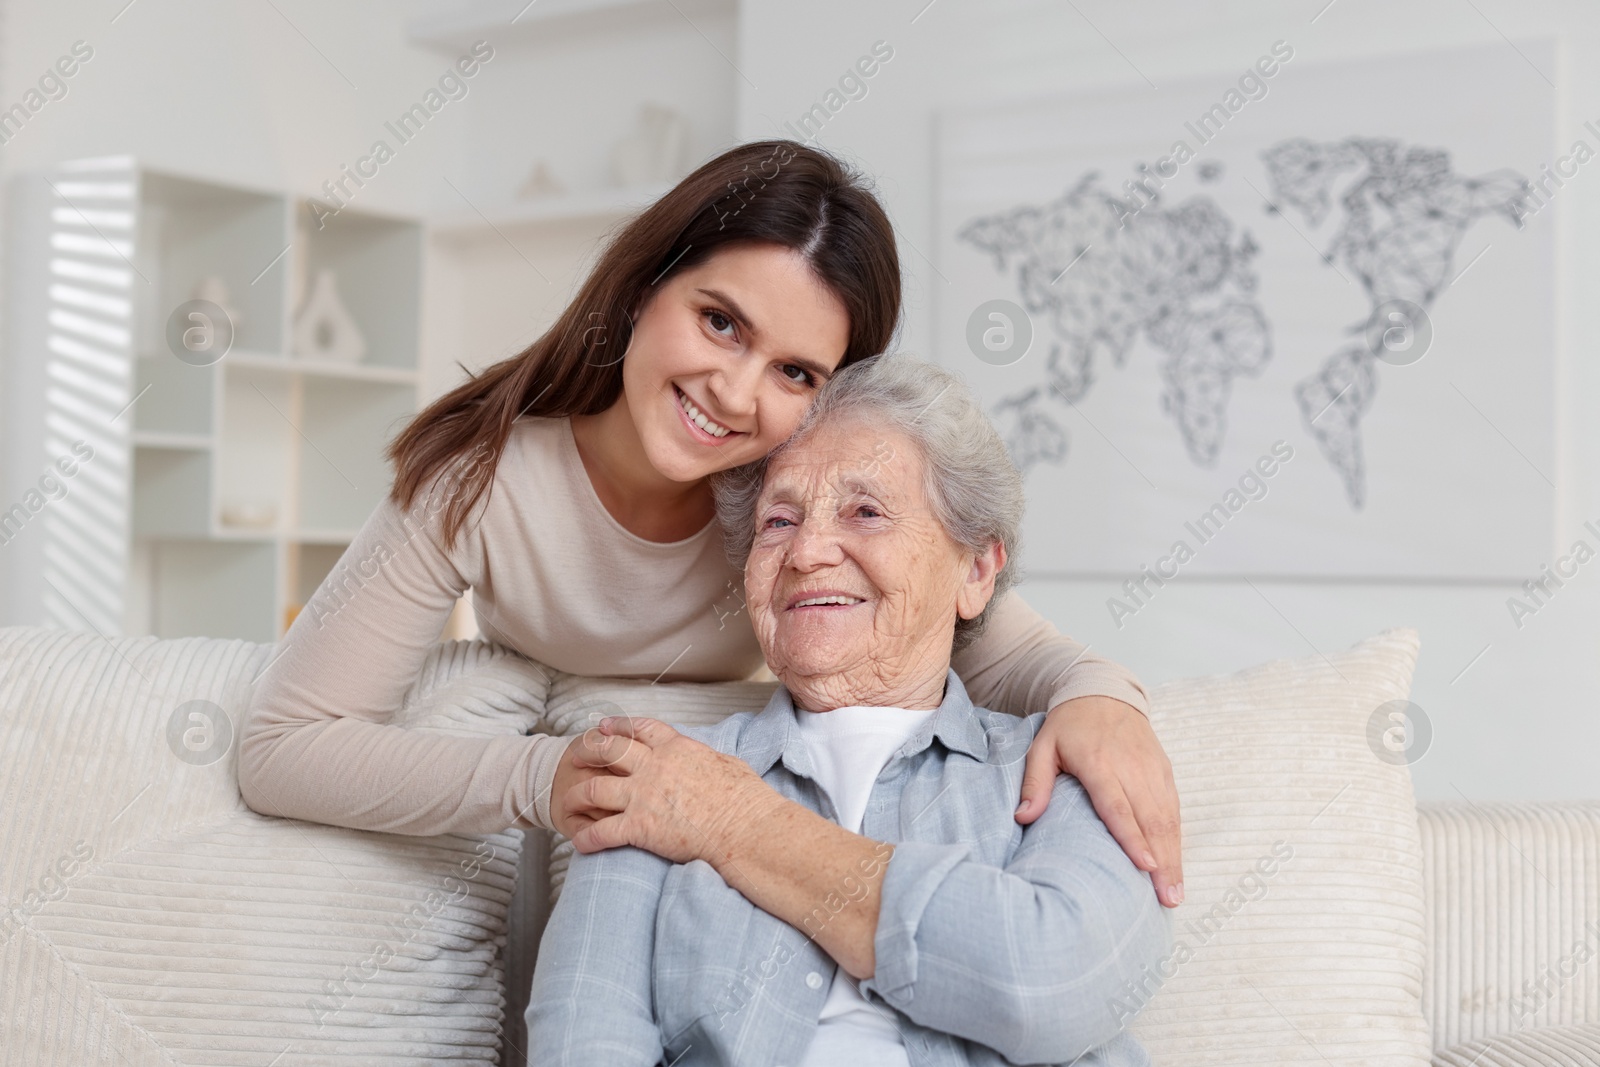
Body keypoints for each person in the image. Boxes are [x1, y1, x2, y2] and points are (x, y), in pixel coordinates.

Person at [237, 141, 1183, 949]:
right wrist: (543, 774)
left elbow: (1000, 636)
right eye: (720, 321)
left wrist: (1103, 699)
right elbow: (282, 745)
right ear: (646, 286)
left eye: (795, 371)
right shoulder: (477, 479)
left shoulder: (798, 503)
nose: (733, 393)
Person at [530, 353, 1171, 1066]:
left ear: (975, 571)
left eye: (865, 511)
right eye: (779, 520)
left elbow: (1058, 985)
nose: (807, 550)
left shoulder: (1061, 766)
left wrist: (734, 821)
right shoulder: (656, 772)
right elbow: (580, 1036)